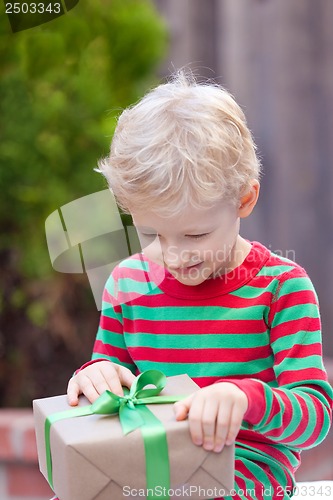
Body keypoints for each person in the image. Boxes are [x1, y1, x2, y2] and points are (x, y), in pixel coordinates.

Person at [66, 72, 333, 499]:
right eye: (152, 235)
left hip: (242, 467)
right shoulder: (127, 284)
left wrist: (246, 399)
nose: (173, 257)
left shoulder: (281, 288)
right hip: (146, 457)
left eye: (195, 237)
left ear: (244, 199)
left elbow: (315, 417)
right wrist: (95, 375)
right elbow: (111, 385)